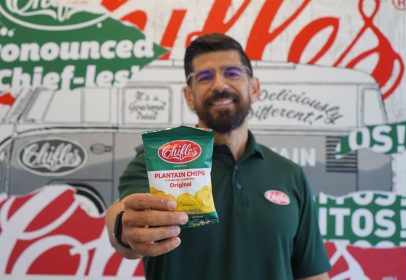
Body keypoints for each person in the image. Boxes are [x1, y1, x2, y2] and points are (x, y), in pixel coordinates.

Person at [105, 33, 331, 280]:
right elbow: (124, 220)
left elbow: (312, 273)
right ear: (189, 96)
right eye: (204, 77)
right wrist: (123, 228)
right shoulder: (154, 163)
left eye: (232, 73)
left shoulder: (290, 174)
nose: (220, 85)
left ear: (254, 88)